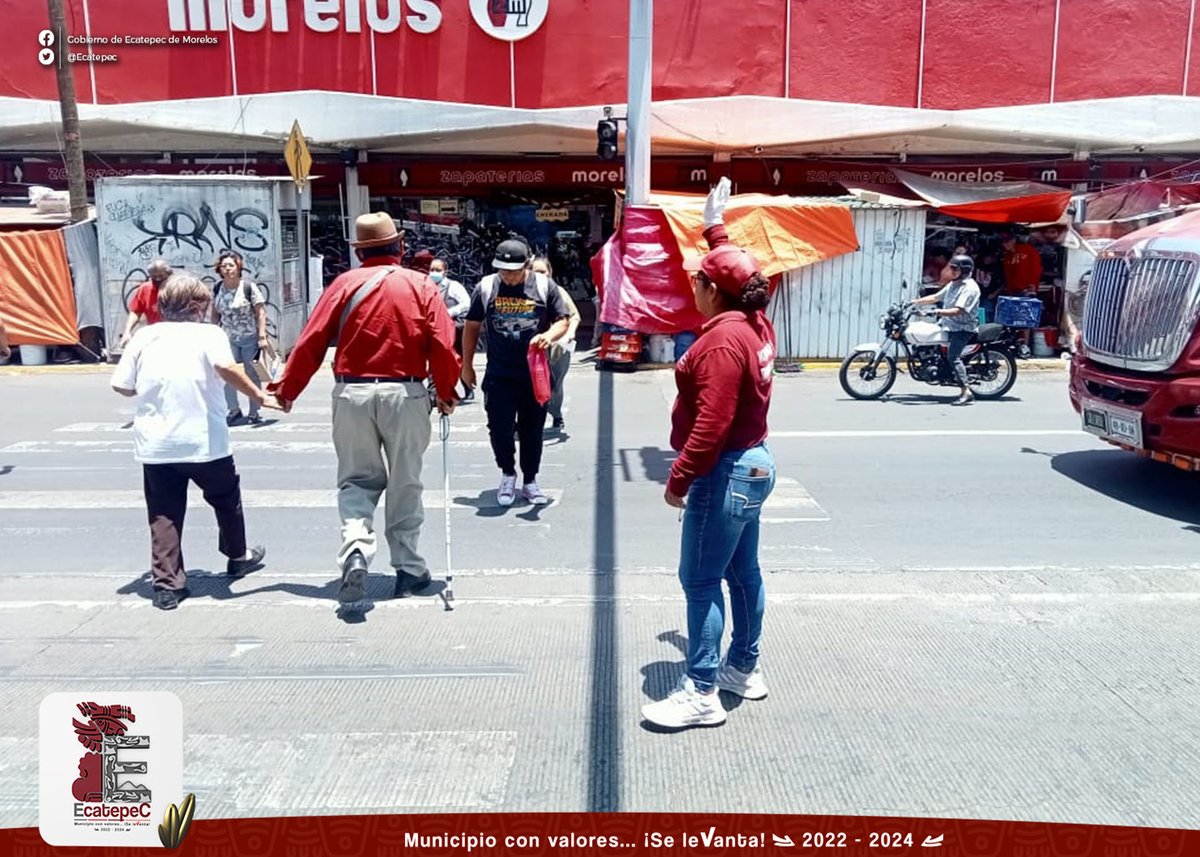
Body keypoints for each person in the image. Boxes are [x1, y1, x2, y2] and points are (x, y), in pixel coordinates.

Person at [640, 177, 778, 731]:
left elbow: (710, 426)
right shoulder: (752, 320)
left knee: (701, 581)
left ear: (711, 290)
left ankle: (700, 690)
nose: (693, 284)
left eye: (699, 278)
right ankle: (742, 667)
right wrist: (714, 226)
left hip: (726, 471)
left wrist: (677, 480)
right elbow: (737, 272)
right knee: (742, 574)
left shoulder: (720, 342)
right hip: (755, 462)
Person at [268, 212, 461, 604]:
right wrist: (445, 392)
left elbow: (311, 340)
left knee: (356, 480)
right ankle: (408, 568)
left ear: (359, 252)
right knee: (405, 481)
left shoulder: (343, 283)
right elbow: (443, 343)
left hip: (351, 394)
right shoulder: (420, 284)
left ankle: (356, 548)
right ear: (400, 246)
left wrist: (288, 389)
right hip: (405, 395)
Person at [110, 274, 274, 611]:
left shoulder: (145, 336)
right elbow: (227, 369)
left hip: (157, 444)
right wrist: (259, 394)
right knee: (226, 499)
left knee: (164, 512)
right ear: (199, 306)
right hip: (205, 440)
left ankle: (168, 586)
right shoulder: (209, 334)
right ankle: (237, 555)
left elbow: (122, 386)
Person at [461, 239, 571, 507]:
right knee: (500, 429)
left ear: (526, 265)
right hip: (499, 375)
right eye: (503, 270)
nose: (508, 277)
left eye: (514, 271)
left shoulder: (545, 286)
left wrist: (548, 335)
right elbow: (472, 326)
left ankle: (530, 481)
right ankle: (508, 473)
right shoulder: (486, 287)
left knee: (533, 431)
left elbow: (563, 320)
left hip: (535, 376)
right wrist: (466, 365)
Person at [910, 254, 981, 406]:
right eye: (951, 267)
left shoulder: (970, 288)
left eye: (955, 268)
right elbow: (936, 297)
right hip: (947, 324)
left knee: (953, 357)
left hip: (962, 328)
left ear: (964, 271)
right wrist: (914, 302)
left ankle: (966, 392)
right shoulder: (954, 284)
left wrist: (935, 312)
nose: (952, 270)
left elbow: (958, 310)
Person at [211, 250, 269, 426]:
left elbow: (260, 312)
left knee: (252, 375)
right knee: (228, 374)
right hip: (228, 338)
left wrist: (262, 336)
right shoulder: (217, 288)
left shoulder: (248, 287)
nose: (227, 269)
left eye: (231, 265)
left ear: (238, 267)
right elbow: (215, 312)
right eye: (223, 266)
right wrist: (213, 333)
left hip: (249, 338)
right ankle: (234, 410)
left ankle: (254, 411)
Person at [530, 256, 580, 431]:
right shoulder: (525, 291)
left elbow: (574, 316)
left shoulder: (558, 291)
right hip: (535, 348)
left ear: (550, 272)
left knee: (555, 385)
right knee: (533, 383)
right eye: (535, 272)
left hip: (558, 346)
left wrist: (569, 334)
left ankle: (556, 414)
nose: (539, 275)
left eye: (543, 272)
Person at [430, 257, 475, 402]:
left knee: (458, 359)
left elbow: (466, 303)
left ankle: (467, 387)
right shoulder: (427, 285)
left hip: (454, 329)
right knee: (436, 359)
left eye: (438, 270)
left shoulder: (453, 286)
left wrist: (449, 312)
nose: (434, 272)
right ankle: (434, 393)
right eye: (432, 269)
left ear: (445, 272)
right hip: (436, 329)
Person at [117, 259, 173, 350]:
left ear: (169, 275)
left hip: (174, 335)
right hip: (154, 337)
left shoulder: (178, 289)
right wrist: (127, 332)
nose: (158, 279)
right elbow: (135, 311)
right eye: (154, 276)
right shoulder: (145, 288)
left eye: (161, 276)